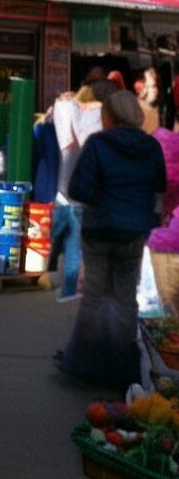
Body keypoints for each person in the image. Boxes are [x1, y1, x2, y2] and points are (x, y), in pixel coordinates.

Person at [56, 89, 166, 391]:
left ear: (109, 116)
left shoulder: (99, 144)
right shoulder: (151, 146)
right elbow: (159, 184)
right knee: (124, 297)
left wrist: (104, 197)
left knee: (94, 295)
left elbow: (79, 188)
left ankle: (84, 365)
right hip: (133, 231)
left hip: (101, 228)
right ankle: (124, 368)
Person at [50, 85, 105, 301]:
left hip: (62, 194)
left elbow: (65, 107)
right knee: (73, 247)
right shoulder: (93, 129)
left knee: (54, 238)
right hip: (79, 199)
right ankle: (69, 291)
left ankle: (45, 275)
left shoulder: (64, 123)